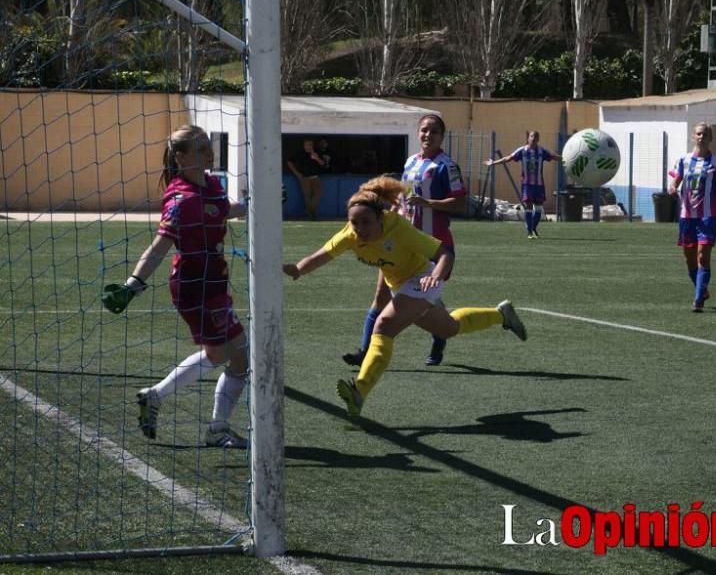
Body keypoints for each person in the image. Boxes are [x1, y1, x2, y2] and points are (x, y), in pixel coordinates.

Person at [283, 176, 527, 417]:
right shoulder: (351, 234)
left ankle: (360, 390)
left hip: (422, 279)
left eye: (365, 222)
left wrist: (436, 276)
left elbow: (444, 254)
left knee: (385, 324)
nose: (359, 229)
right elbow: (322, 255)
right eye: (354, 222)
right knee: (449, 328)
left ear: (381, 217)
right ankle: (501, 315)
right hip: (400, 285)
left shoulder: (399, 230)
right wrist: (297, 269)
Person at [101, 124, 248, 448]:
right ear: (180, 158)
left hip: (213, 281)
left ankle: (156, 396)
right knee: (238, 355)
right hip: (194, 286)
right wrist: (133, 285)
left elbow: (224, 211)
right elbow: (158, 247)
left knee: (222, 354)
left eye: (209, 147)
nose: (209, 153)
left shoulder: (210, 183)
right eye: (201, 149)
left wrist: (254, 205)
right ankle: (217, 429)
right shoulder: (181, 200)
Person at [343, 113, 466, 368]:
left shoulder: (447, 166)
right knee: (381, 294)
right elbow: (404, 200)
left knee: (424, 304)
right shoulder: (411, 162)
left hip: (434, 245)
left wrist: (427, 203)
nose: (427, 135)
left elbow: (460, 203)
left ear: (442, 136)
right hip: (402, 242)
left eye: (433, 131)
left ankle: (440, 335)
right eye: (424, 130)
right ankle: (365, 352)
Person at [667, 122, 716, 313]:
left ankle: (698, 300)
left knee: (703, 256)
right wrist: (671, 188)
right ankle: (702, 290)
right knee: (689, 258)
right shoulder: (683, 161)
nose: (701, 137)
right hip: (687, 217)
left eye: (705, 134)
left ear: (710, 138)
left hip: (707, 218)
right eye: (699, 134)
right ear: (693, 137)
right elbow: (675, 181)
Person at [484, 131, 561, 238]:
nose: (533, 138)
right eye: (531, 136)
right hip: (527, 185)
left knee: (538, 209)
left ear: (538, 139)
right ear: (528, 138)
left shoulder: (542, 151)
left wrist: (567, 159)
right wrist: (494, 162)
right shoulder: (522, 151)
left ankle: (533, 228)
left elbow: (553, 156)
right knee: (529, 207)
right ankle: (529, 232)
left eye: (536, 136)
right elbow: (508, 158)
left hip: (539, 185)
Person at [286, 138, 326, 220]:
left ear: (313, 145)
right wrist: (296, 173)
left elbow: (323, 164)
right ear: (304, 145)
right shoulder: (300, 153)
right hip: (304, 178)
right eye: (307, 145)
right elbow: (289, 161)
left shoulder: (317, 153)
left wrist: (316, 158)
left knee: (317, 195)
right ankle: (312, 215)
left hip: (315, 177)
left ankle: (310, 211)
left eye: (310, 145)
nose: (308, 147)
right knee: (307, 196)